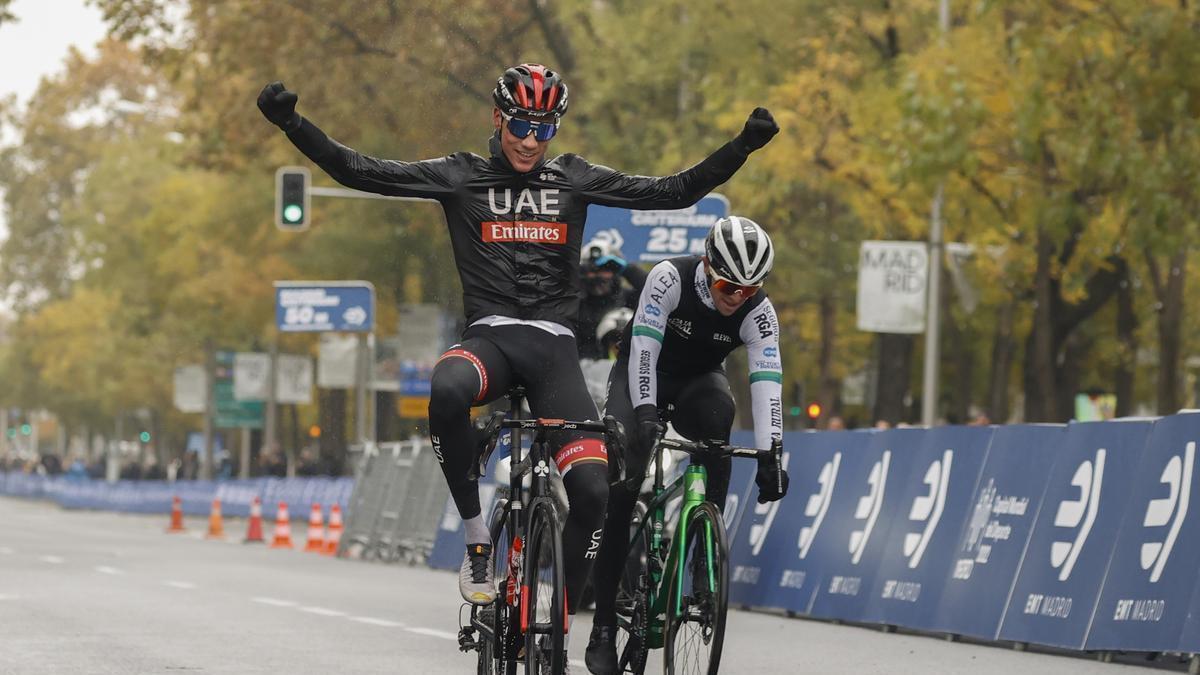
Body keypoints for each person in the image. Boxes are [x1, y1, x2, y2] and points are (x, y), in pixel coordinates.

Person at [257, 64, 778, 629]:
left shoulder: (574, 179)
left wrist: (741, 148)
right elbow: (361, 171)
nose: (530, 141)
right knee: (448, 387)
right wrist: (293, 125)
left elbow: (673, 191)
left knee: (592, 490)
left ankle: (556, 620)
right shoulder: (460, 176)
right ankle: (479, 541)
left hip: (556, 353)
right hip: (492, 343)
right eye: (522, 125)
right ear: (498, 116)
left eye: (544, 128)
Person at [586, 216, 791, 674]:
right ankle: (601, 623)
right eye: (727, 285)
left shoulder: (759, 312)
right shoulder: (668, 278)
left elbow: (767, 383)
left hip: (700, 380)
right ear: (706, 264)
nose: (737, 296)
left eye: (749, 289)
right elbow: (642, 350)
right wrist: (642, 416)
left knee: (721, 421)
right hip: (645, 373)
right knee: (622, 488)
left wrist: (772, 452)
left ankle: (703, 560)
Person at [576, 237, 646, 361]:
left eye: (606, 270)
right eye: (593, 271)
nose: (599, 277)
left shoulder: (629, 298)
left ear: (616, 272)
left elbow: (653, 291)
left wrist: (627, 269)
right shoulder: (575, 304)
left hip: (620, 372)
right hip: (582, 371)